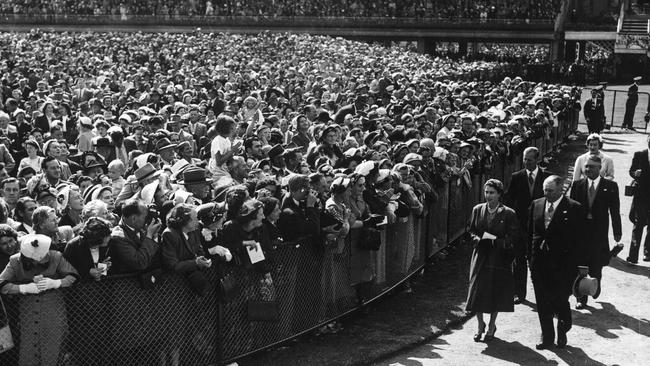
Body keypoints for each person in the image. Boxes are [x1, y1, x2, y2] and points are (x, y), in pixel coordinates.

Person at [0, 233, 78, 366]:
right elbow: (2, 284)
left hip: (53, 311)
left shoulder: (56, 256)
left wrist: (56, 283)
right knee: (28, 350)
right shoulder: (14, 260)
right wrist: (24, 288)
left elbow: (73, 276)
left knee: (53, 350)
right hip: (27, 314)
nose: (46, 256)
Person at [528, 175, 585, 349]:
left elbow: (579, 240)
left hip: (562, 266)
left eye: (551, 190)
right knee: (542, 301)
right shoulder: (536, 204)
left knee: (560, 300)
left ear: (561, 189)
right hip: (539, 264)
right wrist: (529, 257)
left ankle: (563, 329)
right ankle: (546, 337)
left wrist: (579, 267)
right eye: (545, 190)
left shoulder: (574, 208)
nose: (547, 194)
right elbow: (529, 232)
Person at [466, 179, 518, 342]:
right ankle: (480, 325)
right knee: (477, 291)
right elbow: (471, 231)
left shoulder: (509, 213)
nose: (488, 196)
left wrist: (497, 241)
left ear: (499, 194)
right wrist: (477, 240)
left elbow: (513, 238)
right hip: (480, 255)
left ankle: (491, 325)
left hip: (498, 257)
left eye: (492, 193)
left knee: (495, 291)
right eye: (486, 192)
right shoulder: (477, 209)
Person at [569, 155, 621, 308]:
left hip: (599, 233)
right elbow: (571, 209)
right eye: (586, 166)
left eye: (591, 166)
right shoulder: (577, 185)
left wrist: (617, 232)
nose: (587, 169)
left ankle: (596, 282)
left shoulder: (610, 187)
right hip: (581, 233)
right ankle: (581, 296)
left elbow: (615, 211)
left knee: (596, 263)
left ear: (600, 168)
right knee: (581, 263)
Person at [503, 147, 552, 304]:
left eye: (529, 159)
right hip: (520, 227)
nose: (526, 162)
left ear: (537, 159)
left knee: (538, 261)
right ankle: (519, 292)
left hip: (539, 228)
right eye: (524, 159)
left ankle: (542, 292)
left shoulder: (546, 177)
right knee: (519, 260)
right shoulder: (517, 177)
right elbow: (509, 201)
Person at [162, 203, 212, 296]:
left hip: (193, 284)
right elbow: (173, 266)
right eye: (195, 218)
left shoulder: (194, 230)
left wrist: (203, 260)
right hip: (175, 288)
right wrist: (195, 262)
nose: (198, 221)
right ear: (184, 221)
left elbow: (199, 250)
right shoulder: (169, 235)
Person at [109, 199, 162, 274]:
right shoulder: (118, 237)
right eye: (145, 217)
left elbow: (157, 260)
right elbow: (139, 263)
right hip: (129, 283)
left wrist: (155, 236)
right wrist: (149, 236)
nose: (148, 220)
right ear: (133, 218)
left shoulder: (142, 228)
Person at [63, 217, 112, 281]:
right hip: (80, 287)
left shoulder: (109, 242)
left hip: (104, 286)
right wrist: (88, 272)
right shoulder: (73, 246)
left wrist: (103, 268)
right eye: (106, 236)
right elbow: (66, 269)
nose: (110, 237)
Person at [627, 134, 650, 263]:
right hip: (641, 196)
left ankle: (648, 252)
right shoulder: (640, 155)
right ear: (647, 140)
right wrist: (634, 174)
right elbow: (631, 170)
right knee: (638, 225)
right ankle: (633, 256)